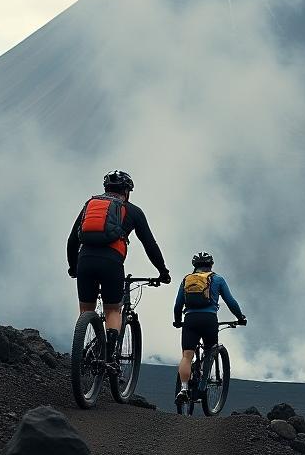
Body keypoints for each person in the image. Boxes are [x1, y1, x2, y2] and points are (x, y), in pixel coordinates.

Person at [67, 170, 171, 362]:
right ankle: (109, 356)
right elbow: (150, 244)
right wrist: (162, 271)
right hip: (111, 263)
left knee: (86, 311)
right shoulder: (133, 211)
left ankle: (83, 353)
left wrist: (73, 267)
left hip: (85, 261)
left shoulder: (90, 206)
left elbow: (72, 240)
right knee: (113, 310)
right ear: (127, 191)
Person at [173, 251, 246, 403]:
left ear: (194, 266)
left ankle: (184, 389)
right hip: (209, 319)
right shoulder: (217, 279)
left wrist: (178, 321)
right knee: (210, 351)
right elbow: (231, 302)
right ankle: (202, 385)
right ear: (211, 265)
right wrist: (240, 317)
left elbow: (177, 305)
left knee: (187, 356)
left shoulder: (186, 279)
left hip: (190, 319)